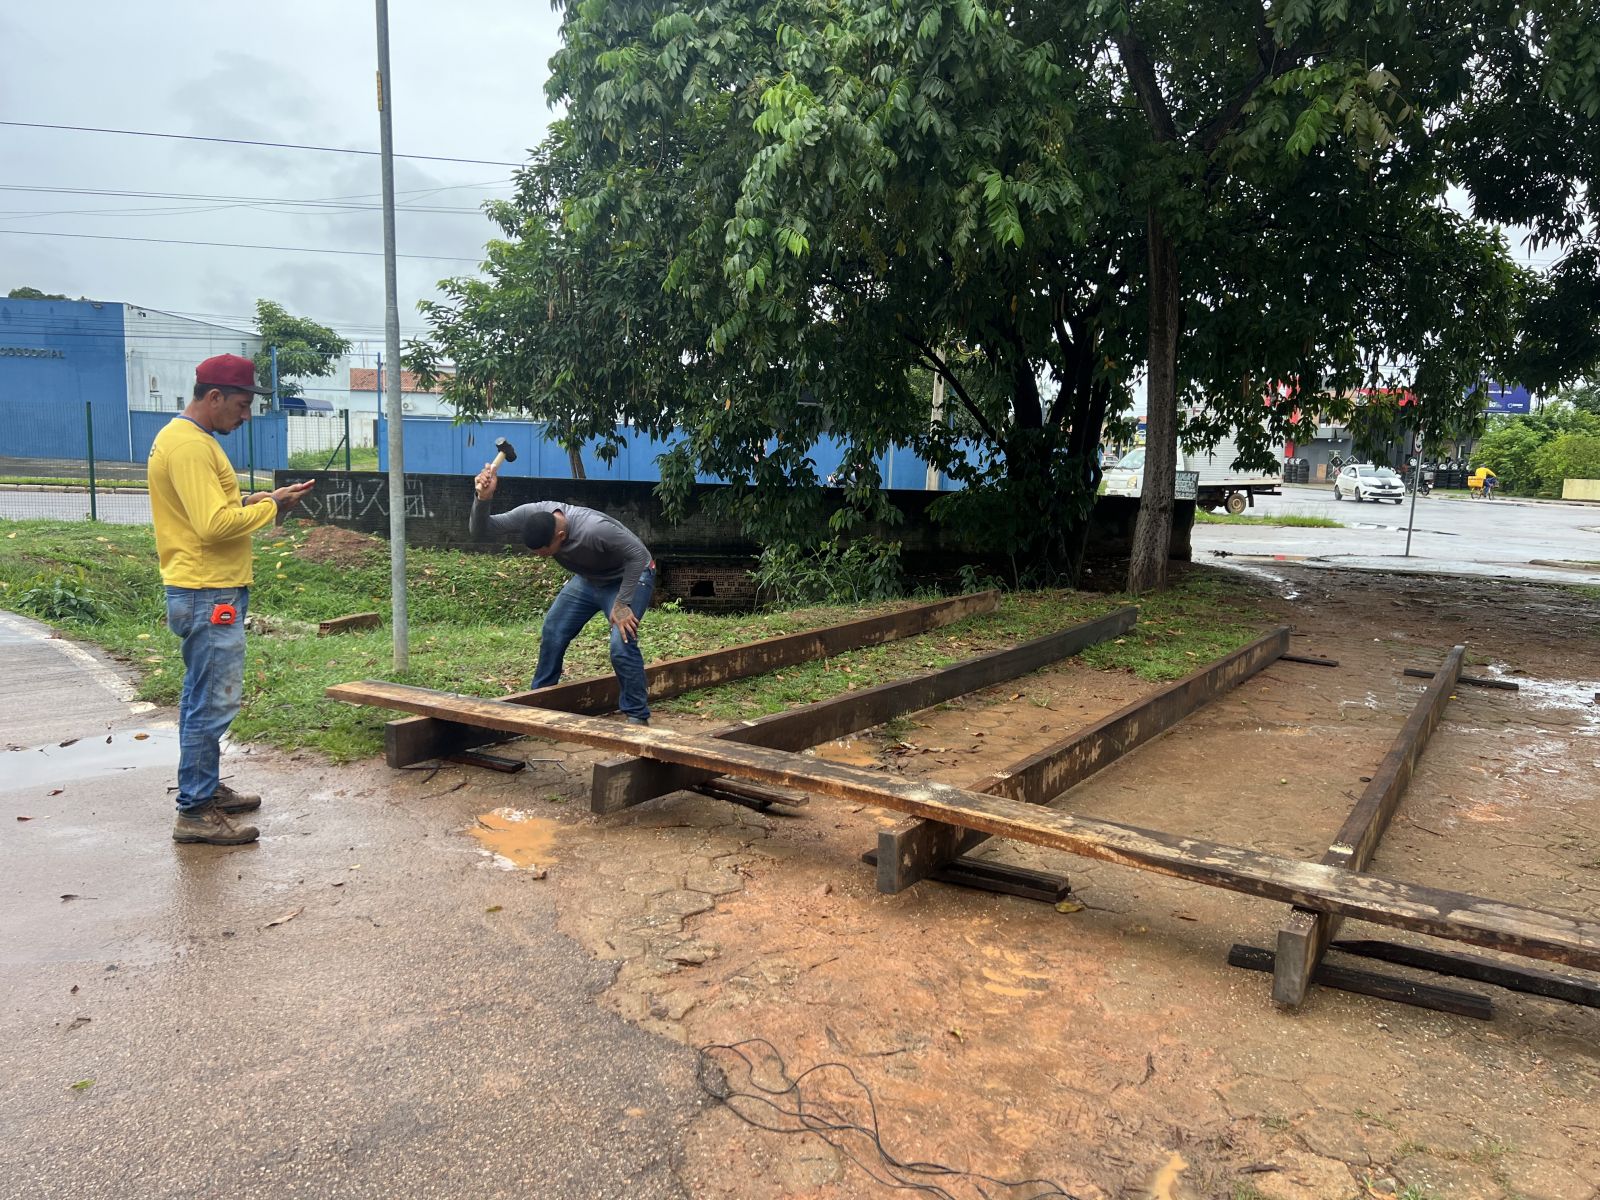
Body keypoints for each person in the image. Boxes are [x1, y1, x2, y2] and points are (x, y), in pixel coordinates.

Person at [148, 355, 313, 845]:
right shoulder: (190, 448)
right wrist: (273, 508)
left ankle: (204, 790)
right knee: (213, 702)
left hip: (204, 586)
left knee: (202, 696)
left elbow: (217, 510)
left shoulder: (187, 441)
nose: (245, 417)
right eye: (241, 406)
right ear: (213, 396)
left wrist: (261, 500)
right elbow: (213, 526)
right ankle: (195, 810)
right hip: (207, 590)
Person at [470, 465, 656, 724]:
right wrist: (484, 498)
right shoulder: (531, 514)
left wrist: (623, 603)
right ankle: (541, 702)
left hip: (629, 576)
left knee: (620, 643)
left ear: (560, 535)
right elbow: (481, 530)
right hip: (588, 579)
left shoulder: (594, 529)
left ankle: (637, 717)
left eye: (544, 551)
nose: (540, 557)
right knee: (553, 631)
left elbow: (638, 556)